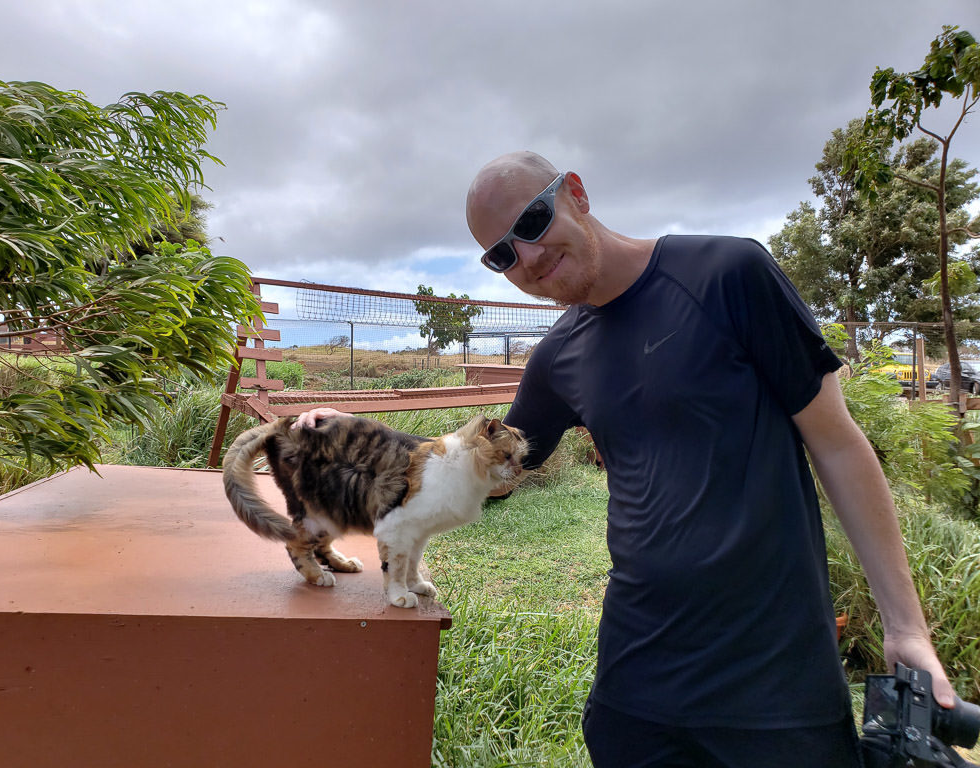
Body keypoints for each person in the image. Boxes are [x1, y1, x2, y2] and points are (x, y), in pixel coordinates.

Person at [300, 150, 956, 767]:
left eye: (533, 221)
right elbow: (481, 463)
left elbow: (838, 443)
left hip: (774, 678)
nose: (526, 256)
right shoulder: (559, 357)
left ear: (576, 194)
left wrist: (906, 627)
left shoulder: (728, 276)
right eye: (501, 255)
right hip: (637, 679)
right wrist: (356, 433)